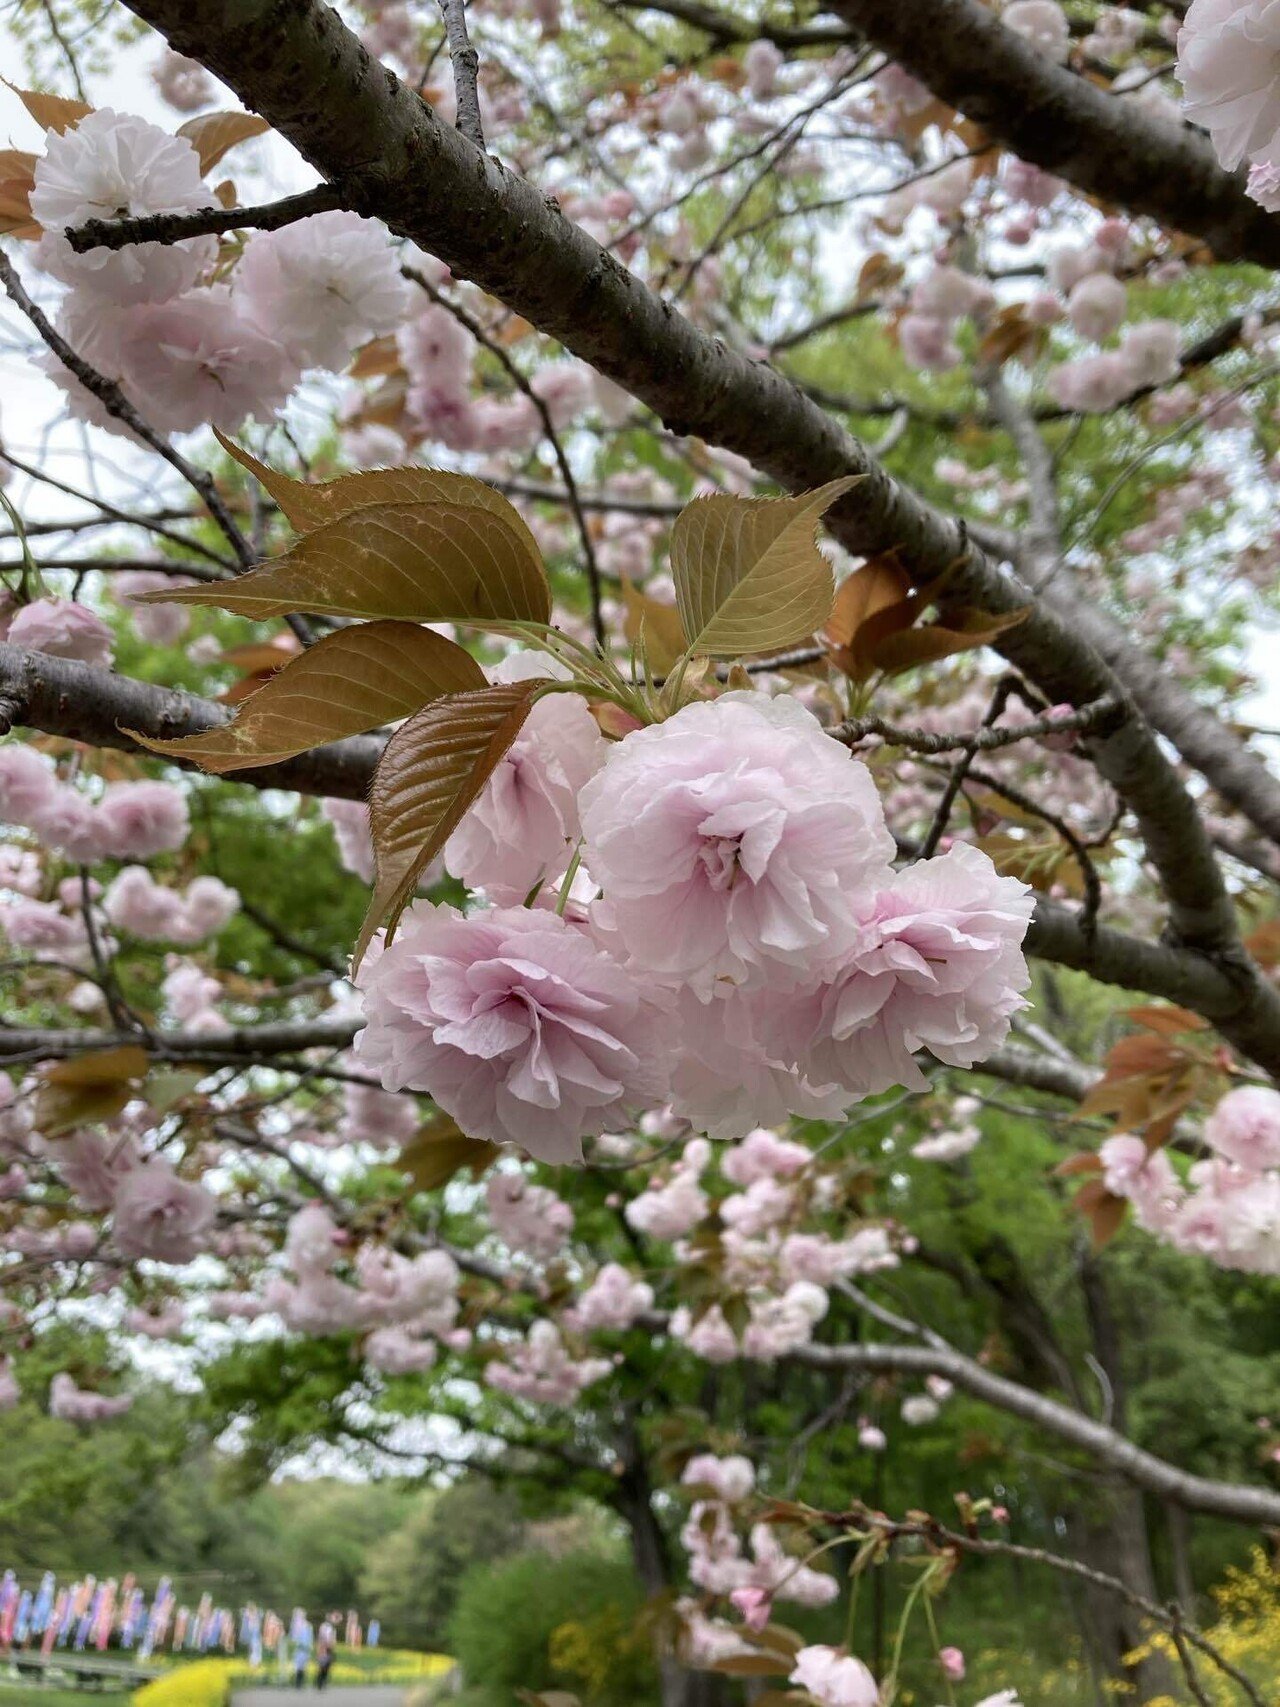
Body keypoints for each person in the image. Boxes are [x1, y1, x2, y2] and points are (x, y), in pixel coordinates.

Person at [292, 1617, 313, 1689]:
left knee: (303, 1667)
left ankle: (300, 1683)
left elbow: (310, 1638)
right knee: (298, 1667)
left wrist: (308, 1648)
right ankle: (297, 1683)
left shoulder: (309, 1626)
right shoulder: (297, 1626)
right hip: (300, 1650)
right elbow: (294, 1638)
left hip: (305, 1650)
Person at [315, 1617, 335, 1691]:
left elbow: (331, 1639)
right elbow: (321, 1639)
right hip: (323, 1649)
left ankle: (323, 1682)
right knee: (322, 1667)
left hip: (328, 1649)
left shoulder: (330, 1628)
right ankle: (319, 1683)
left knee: (327, 1667)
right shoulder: (324, 1627)